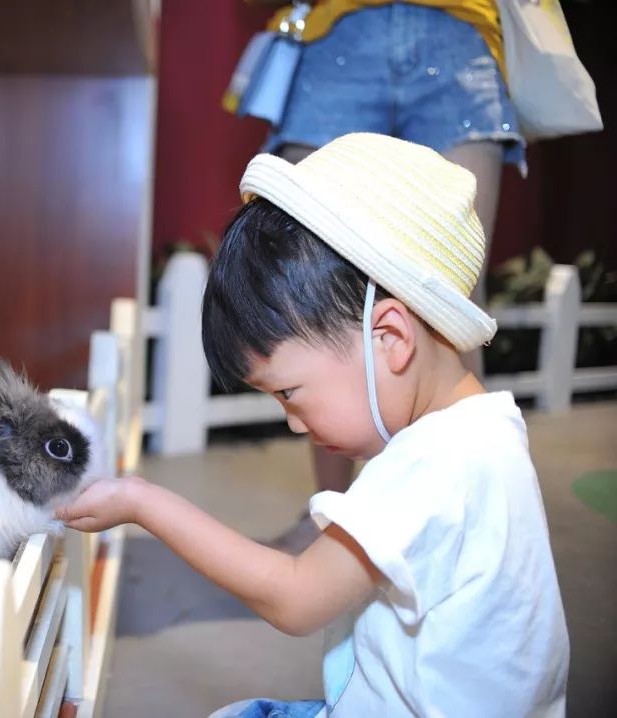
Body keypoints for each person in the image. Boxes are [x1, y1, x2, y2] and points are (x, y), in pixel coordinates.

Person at [57, 134, 568, 716]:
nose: (295, 426)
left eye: (291, 393)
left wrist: (142, 502)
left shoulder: (435, 464)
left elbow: (295, 596)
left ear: (391, 338)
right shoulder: (484, 431)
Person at [246, 0, 526, 550]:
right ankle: (328, 519)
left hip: (461, 35)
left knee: (455, 297)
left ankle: (465, 525)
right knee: (309, 288)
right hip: (335, 32)